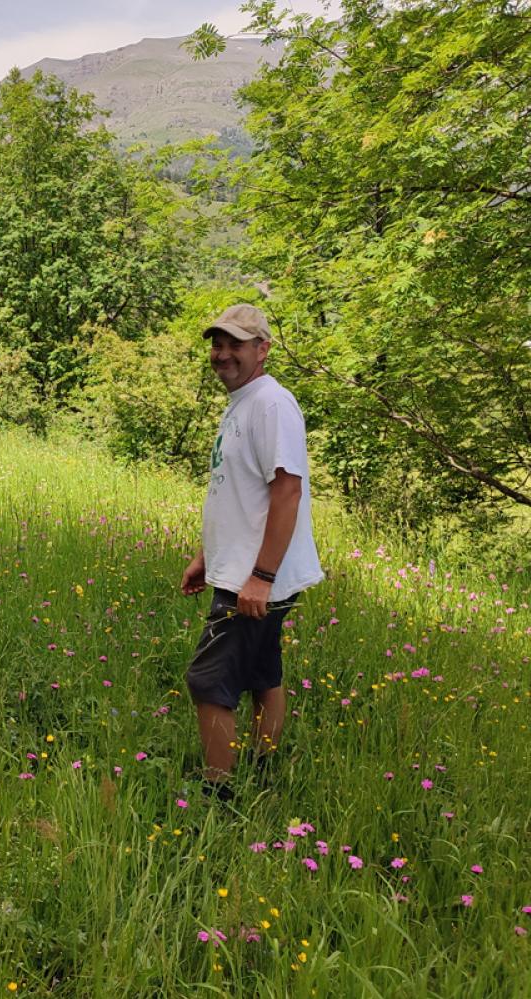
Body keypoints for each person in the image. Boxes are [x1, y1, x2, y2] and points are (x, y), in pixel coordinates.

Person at [180, 303, 322, 802]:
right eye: (218, 344)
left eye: (235, 344)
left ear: (262, 349)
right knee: (263, 673)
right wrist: (205, 554)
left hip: (255, 576)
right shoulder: (243, 401)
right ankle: (265, 770)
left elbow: (287, 492)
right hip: (242, 568)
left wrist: (260, 575)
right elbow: (236, 492)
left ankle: (217, 796)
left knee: (207, 679)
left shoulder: (271, 404)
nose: (222, 354)